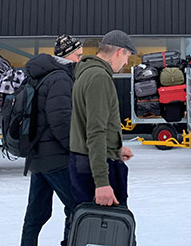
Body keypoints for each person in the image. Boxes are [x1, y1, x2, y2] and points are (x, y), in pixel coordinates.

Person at [20, 34, 83, 246]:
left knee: (35, 213)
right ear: (69, 55)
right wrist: (75, 148)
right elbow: (60, 120)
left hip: (38, 155)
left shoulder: (40, 75)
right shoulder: (61, 78)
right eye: (79, 55)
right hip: (56, 158)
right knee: (77, 206)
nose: (81, 59)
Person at [69, 30, 136, 207]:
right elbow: (95, 130)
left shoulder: (86, 73)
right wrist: (102, 183)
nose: (126, 62)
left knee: (91, 227)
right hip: (95, 167)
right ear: (119, 52)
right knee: (110, 229)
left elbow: (87, 123)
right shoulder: (99, 77)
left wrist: (116, 147)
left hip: (84, 160)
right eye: (127, 56)